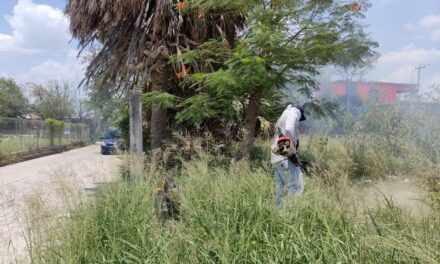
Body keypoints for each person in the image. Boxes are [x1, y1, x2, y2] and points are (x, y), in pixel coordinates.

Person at [271, 102, 306, 207]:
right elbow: (289, 128)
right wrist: (292, 150)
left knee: (280, 188)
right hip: (286, 156)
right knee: (296, 186)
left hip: (277, 158)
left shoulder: (284, 114)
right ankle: (291, 215)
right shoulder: (294, 112)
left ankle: (279, 216)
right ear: (299, 112)